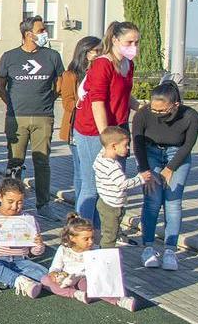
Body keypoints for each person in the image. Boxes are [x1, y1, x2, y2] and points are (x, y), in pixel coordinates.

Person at [0, 16, 65, 214]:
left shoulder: (52, 56)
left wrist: (49, 99)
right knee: (15, 161)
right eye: (41, 30)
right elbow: (0, 85)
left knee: (42, 161)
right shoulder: (10, 57)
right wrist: (11, 103)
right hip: (16, 118)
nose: (45, 33)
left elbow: (60, 82)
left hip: (43, 116)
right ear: (28, 34)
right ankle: (11, 203)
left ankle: (43, 204)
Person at [72, 21, 140, 222]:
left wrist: (142, 108)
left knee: (112, 187)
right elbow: (97, 102)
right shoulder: (102, 64)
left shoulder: (128, 65)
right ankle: (81, 231)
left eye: (136, 42)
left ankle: (105, 234)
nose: (133, 47)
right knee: (92, 186)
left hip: (118, 130)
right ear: (115, 40)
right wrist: (106, 138)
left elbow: (124, 95)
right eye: (129, 42)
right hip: (94, 131)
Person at [134, 81, 198, 271]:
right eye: (154, 109)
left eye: (162, 111)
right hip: (149, 153)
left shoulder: (191, 116)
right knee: (152, 200)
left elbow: (189, 144)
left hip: (177, 154)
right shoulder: (143, 114)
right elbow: (137, 143)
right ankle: (148, 247)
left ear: (175, 105)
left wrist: (170, 168)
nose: (157, 114)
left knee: (173, 201)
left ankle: (170, 250)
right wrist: (145, 170)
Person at [41, 213, 138, 311]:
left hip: (83, 279)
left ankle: (119, 300)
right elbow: (56, 266)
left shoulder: (94, 251)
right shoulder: (63, 249)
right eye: (86, 239)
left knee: (92, 285)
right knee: (45, 280)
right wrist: (54, 274)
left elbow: (97, 273)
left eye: (92, 238)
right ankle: (75, 294)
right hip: (65, 278)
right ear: (72, 238)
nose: (90, 242)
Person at [0, 177, 47, 298]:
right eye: (10, 201)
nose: (15, 206)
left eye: (20, 202)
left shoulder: (28, 219)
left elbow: (36, 252)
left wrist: (39, 244)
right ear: (0, 197)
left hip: (20, 261)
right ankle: (19, 281)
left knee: (44, 273)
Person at [93, 126, 147, 248]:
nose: (128, 148)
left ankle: (113, 242)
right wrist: (141, 178)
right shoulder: (112, 166)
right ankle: (107, 255)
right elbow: (122, 184)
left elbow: (104, 147)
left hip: (105, 201)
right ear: (113, 146)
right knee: (109, 235)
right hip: (112, 205)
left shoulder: (101, 157)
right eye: (125, 145)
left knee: (112, 229)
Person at [58, 36, 102, 148]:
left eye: (102, 51)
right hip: (78, 125)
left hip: (97, 123)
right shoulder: (70, 75)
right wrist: (85, 103)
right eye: (96, 51)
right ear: (85, 52)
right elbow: (67, 103)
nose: (100, 54)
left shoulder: (101, 72)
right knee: (81, 163)